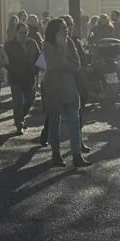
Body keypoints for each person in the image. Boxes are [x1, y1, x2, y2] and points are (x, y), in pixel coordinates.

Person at [41, 18, 90, 168]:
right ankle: (56, 155)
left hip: (69, 85)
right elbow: (52, 64)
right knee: (55, 122)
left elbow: (77, 64)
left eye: (66, 27)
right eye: (62, 28)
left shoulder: (70, 41)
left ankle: (77, 155)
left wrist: (65, 65)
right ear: (54, 30)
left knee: (75, 121)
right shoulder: (47, 44)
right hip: (53, 87)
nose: (66, 30)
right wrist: (61, 49)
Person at [5, 22, 40, 135]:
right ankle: (19, 123)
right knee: (18, 101)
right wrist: (10, 69)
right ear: (16, 33)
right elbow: (5, 60)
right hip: (15, 78)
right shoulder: (9, 45)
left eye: (25, 32)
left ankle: (21, 117)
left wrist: (36, 70)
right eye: (21, 33)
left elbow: (40, 58)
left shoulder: (32, 43)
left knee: (29, 101)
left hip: (30, 77)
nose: (24, 35)